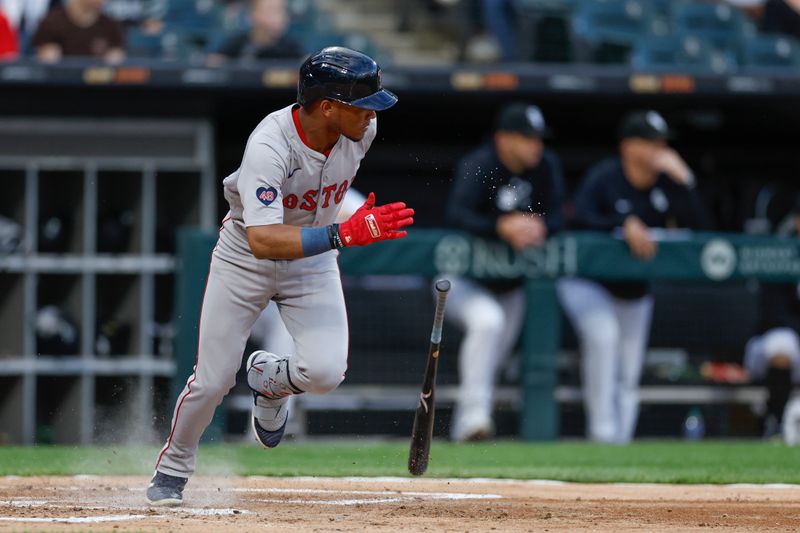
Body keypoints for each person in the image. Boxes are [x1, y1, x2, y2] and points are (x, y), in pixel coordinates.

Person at [146, 46, 413, 506]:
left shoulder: (361, 132)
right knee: (212, 380)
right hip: (245, 258)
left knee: (326, 373)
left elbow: (319, 222)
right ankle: (172, 470)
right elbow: (263, 240)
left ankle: (271, 380)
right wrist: (343, 234)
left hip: (312, 261)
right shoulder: (269, 145)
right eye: (362, 107)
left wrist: (336, 235)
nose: (372, 117)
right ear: (327, 106)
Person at [557, 110, 711, 444]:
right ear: (628, 146)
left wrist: (686, 182)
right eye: (649, 142)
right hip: (588, 283)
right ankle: (602, 434)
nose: (659, 148)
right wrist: (620, 223)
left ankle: (619, 444)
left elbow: (699, 230)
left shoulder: (669, 183)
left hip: (635, 291)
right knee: (604, 337)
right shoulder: (605, 176)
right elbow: (576, 218)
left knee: (629, 371)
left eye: (661, 142)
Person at [443, 102, 565, 442]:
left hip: (509, 285)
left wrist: (540, 226)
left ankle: (464, 432)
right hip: (462, 280)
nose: (535, 146)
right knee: (487, 322)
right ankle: (475, 419)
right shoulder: (480, 165)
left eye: (538, 138)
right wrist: (500, 225)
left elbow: (559, 215)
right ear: (503, 139)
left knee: (491, 360)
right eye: (527, 138)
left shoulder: (545, 167)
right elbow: (457, 215)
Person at [744, 193, 800, 439]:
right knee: (782, 343)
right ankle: (775, 422)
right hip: (768, 346)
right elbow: (773, 315)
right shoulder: (780, 251)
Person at [206, 0, 303, 67]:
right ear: (252, 15)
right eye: (271, 10)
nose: (280, 16)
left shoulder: (291, 47)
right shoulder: (237, 43)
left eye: (282, 10)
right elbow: (213, 62)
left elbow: (305, 62)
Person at [31, 0, 125, 63]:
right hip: (61, 87)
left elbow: (118, 53)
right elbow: (41, 56)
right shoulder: (52, 21)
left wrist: (115, 59)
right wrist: (47, 57)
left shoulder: (109, 24)